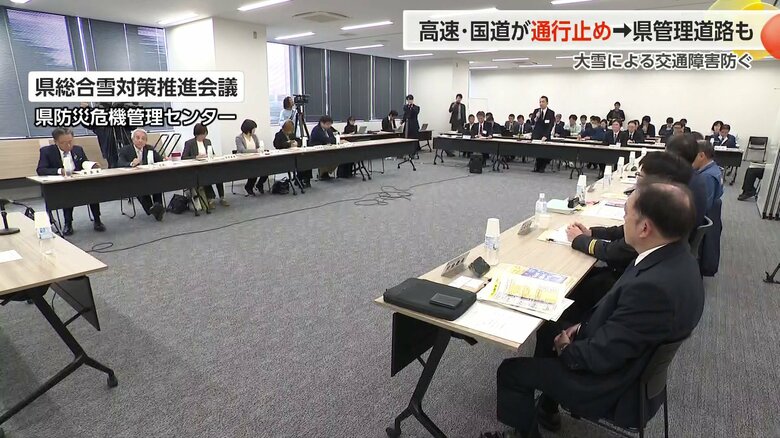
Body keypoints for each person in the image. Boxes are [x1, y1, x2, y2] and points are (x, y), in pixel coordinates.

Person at [484, 181, 704, 438]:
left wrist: (566, 349)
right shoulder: (679, 259)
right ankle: (547, 408)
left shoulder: (653, 289)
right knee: (549, 328)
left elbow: (600, 357)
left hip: (612, 386)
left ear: (644, 228)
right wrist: (580, 328)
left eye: (626, 214)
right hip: (631, 363)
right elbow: (624, 330)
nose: (623, 220)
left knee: (511, 372)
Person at [564, 152, 694, 315]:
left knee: (573, 286)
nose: (637, 179)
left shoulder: (652, 232)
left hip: (619, 278)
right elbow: (621, 230)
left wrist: (579, 239)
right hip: (627, 272)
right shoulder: (671, 208)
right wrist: (591, 232)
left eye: (640, 175)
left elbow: (612, 251)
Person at [36, 127, 106, 235]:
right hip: (61, 185)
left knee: (92, 190)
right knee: (67, 194)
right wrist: (60, 171)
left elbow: (84, 163)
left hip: (79, 181)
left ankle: (97, 220)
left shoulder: (78, 149)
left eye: (70, 141)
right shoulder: (47, 151)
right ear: (56, 142)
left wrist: (92, 165)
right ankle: (68, 223)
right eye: (63, 143)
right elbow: (41, 169)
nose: (68, 145)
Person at [118, 129, 166, 221]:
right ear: (133, 139)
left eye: (143, 138)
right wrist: (131, 163)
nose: (140, 140)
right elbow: (120, 163)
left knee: (157, 183)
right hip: (134, 178)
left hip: (149, 177)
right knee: (138, 186)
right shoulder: (125, 150)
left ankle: (157, 207)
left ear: (146, 141)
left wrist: (164, 160)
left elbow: (159, 159)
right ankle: (151, 208)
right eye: (138, 138)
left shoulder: (149, 148)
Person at [666, 133, 710, 227]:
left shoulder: (678, 181)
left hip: (678, 231)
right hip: (689, 229)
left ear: (672, 155)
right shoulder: (696, 176)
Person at [182, 123, 229, 208]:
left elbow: (212, 153)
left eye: (205, 134)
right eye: (202, 134)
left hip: (209, 165)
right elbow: (184, 157)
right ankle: (210, 199)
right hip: (197, 168)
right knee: (205, 177)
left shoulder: (207, 141)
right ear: (197, 134)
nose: (204, 136)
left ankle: (222, 197)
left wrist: (212, 156)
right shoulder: (189, 143)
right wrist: (196, 157)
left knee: (219, 175)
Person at [234, 119, 268, 196]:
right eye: (253, 129)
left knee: (267, 169)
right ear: (248, 129)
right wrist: (256, 151)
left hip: (256, 159)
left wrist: (261, 149)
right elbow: (242, 150)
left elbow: (258, 147)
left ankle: (259, 184)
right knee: (254, 169)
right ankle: (248, 187)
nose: (254, 130)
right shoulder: (239, 138)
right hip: (244, 160)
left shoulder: (254, 136)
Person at [310, 115, 346, 180]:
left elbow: (333, 139)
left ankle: (325, 172)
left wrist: (332, 140)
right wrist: (331, 141)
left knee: (339, 156)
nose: (329, 126)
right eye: (327, 124)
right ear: (321, 123)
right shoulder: (317, 129)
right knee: (329, 157)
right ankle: (323, 173)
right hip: (317, 150)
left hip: (327, 149)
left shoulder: (329, 130)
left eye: (330, 124)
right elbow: (325, 139)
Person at [693, 141, 724, 212]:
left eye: (692, 155)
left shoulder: (706, 176)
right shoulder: (715, 168)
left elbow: (704, 205)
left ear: (701, 156)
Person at [531, 96, 556, 173]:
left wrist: (545, 135)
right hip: (537, 135)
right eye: (540, 102)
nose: (541, 103)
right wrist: (536, 117)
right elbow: (532, 122)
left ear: (547, 103)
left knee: (545, 152)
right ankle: (537, 167)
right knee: (537, 151)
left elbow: (550, 125)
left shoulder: (551, 113)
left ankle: (542, 167)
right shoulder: (536, 111)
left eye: (543, 102)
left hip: (546, 135)